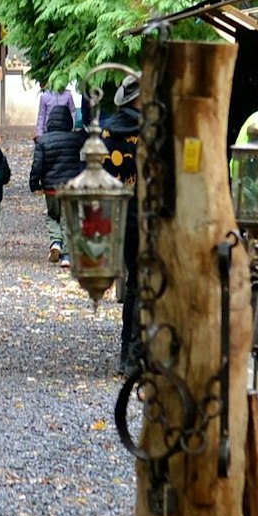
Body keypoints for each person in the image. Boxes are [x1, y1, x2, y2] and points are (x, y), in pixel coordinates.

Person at [101, 75, 143, 375]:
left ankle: (126, 352)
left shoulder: (107, 130)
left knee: (133, 284)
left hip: (121, 213)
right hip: (150, 214)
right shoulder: (154, 130)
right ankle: (139, 355)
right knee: (146, 284)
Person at [30, 101, 87, 263]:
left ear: (50, 121)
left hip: (50, 188)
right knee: (68, 218)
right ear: (68, 121)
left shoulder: (43, 141)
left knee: (52, 216)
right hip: (70, 187)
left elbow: (37, 165)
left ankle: (56, 242)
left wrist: (34, 184)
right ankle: (67, 255)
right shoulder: (76, 139)